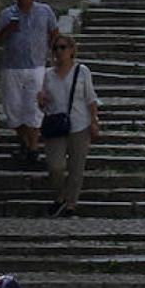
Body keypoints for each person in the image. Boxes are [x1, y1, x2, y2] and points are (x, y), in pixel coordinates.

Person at [0, 0, 60, 166]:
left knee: (34, 108)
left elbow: (54, 33)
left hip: (36, 67)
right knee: (14, 108)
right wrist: (9, 28)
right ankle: (23, 143)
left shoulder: (44, 11)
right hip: (11, 68)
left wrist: (53, 53)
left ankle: (33, 147)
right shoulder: (7, 14)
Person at [39, 33, 100, 218]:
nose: (59, 51)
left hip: (79, 123)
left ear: (72, 50)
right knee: (55, 166)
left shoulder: (82, 71)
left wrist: (94, 120)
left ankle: (71, 203)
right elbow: (44, 101)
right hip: (56, 124)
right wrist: (40, 101)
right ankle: (60, 196)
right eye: (56, 48)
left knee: (76, 167)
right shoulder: (48, 74)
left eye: (63, 47)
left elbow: (90, 97)